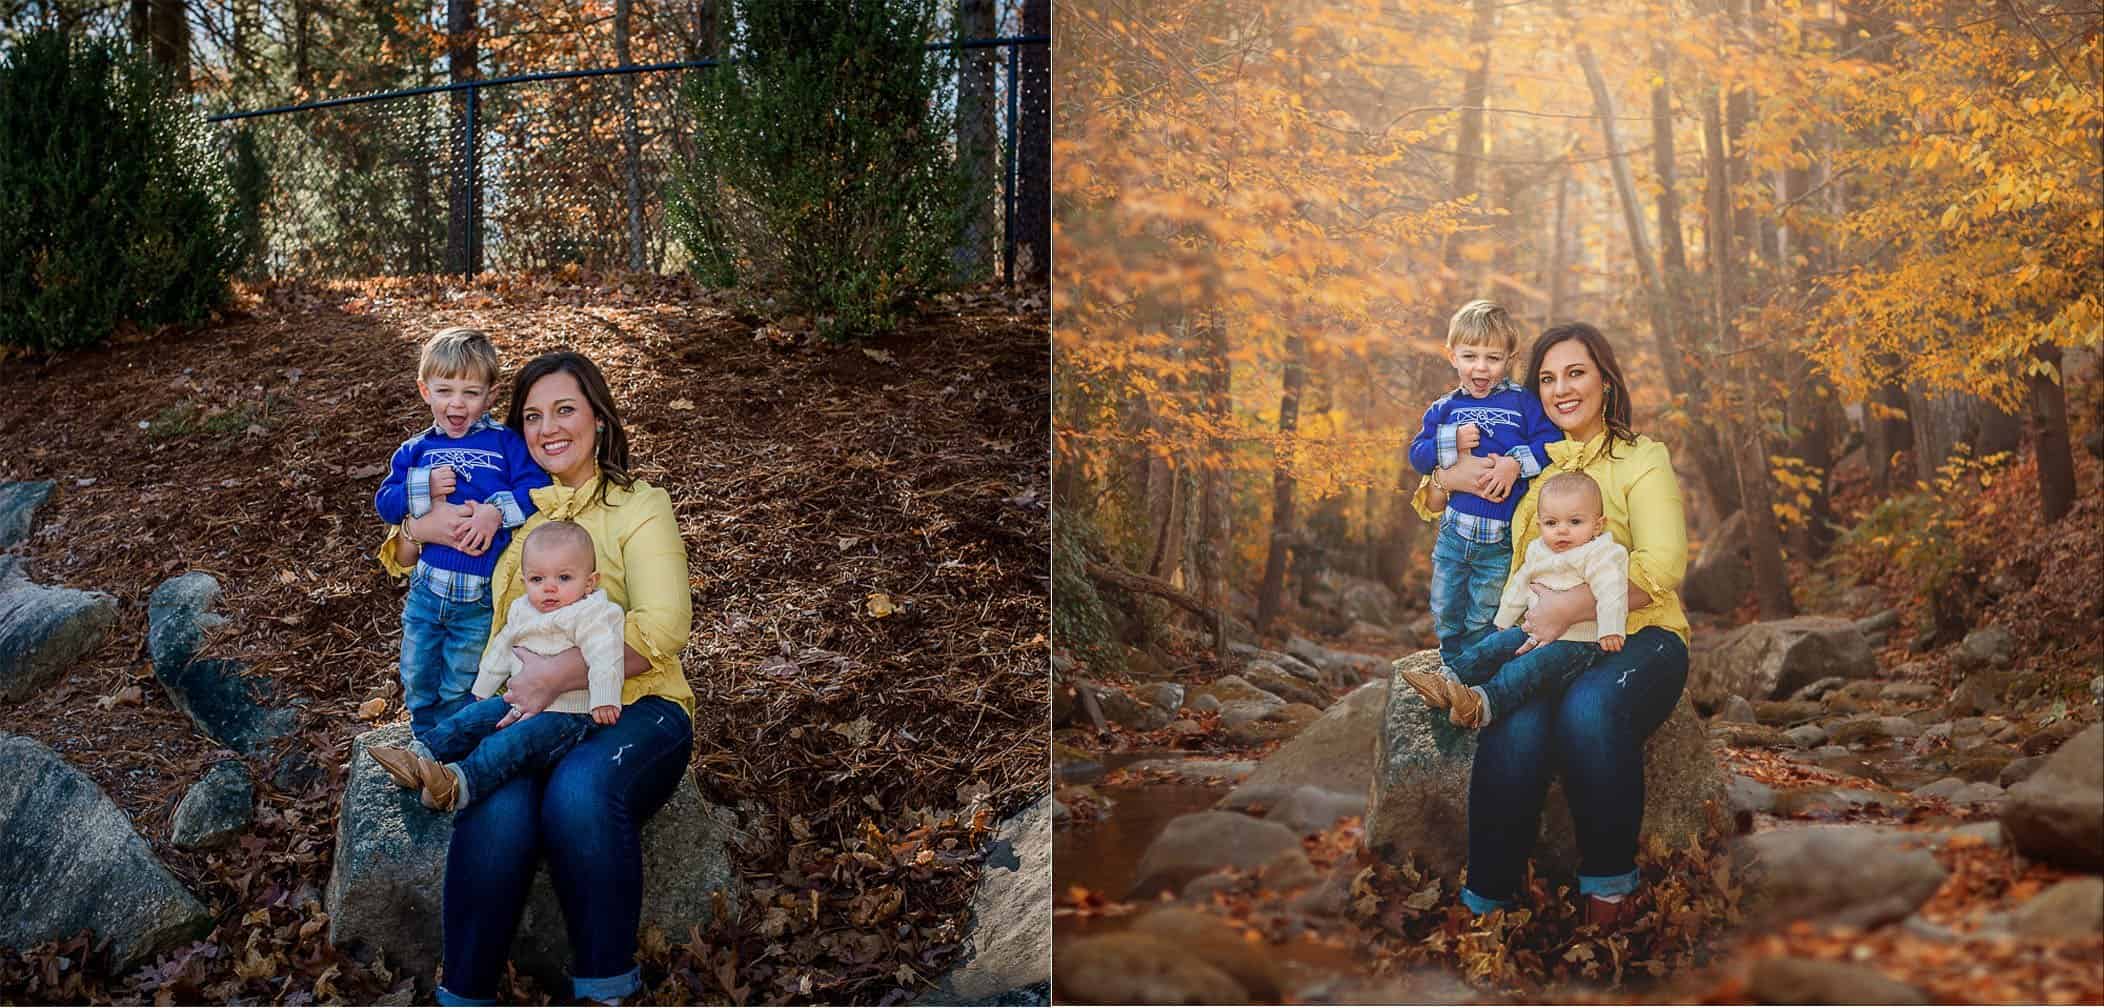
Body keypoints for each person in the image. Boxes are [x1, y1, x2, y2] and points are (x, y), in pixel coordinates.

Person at [381, 350, 695, 1006]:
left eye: (564, 410)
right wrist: (417, 523)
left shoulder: (639, 504)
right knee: (496, 804)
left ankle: (606, 990)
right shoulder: (514, 510)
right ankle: (463, 995)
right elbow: (411, 553)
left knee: (577, 794)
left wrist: (557, 674)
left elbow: (664, 626)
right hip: (529, 711)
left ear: (599, 420)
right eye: (531, 415)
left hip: (635, 703)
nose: (547, 427)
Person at [1430, 321, 1689, 929]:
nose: (1560, 388)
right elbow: (1444, 502)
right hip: (1544, 637)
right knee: (1514, 720)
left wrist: (1573, 606)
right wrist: (1447, 474)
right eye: (1546, 378)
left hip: (1644, 636)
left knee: (1587, 710)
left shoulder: (1641, 458)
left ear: (1605, 379)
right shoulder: (1531, 463)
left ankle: (1609, 891)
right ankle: (1486, 903)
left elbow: (1665, 563)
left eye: (1575, 373)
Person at [367, 521, 627, 811]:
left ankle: (458, 784)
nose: (549, 588)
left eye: (564, 578)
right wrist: (482, 689)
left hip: (568, 715)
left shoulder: (592, 613)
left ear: (590, 582)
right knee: (471, 718)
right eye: (537, 579)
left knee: (510, 742)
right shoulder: (523, 609)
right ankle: (419, 756)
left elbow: (607, 654)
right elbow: (503, 647)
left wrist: (605, 698)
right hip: (518, 701)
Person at [375, 328, 550, 743]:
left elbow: (535, 489)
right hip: (426, 592)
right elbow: (386, 501)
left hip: (479, 597)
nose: (457, 403)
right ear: (425, 391)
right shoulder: (416, 451)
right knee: (418, 671)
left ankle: (450, 746)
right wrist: (424, 488)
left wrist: (494, 512)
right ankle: (422, 738)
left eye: (471, 393)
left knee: (462, 677)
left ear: (490, 396)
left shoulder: (506, 444)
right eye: (444, 390)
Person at [1406, 300, 1562, 672]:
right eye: (1470, 356)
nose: (1480, 367)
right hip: (1453, 535)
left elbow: (1550, 443)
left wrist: (1513, 465)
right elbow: (1418, 454)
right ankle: (1450, 662)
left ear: (1509, 357)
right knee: (1445, 606)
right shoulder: (1444, 409)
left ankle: (1470, 674)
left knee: (1484, 611)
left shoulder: (1523, 403)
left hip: (1500, 540)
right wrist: (1453, 443)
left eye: (1492, 358)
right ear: (1452, 356)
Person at [1428, 471, 1628, 729]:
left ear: (1598, 525)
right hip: (1534, 632)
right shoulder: (1538, 550)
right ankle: (1450, 678)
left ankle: (1483, 703)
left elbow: (1612, 590)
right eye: (1551, 523)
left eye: (1575, 522)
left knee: (1527, 668)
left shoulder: (1601, 554)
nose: (1562, 530)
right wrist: (1504, 619)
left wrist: (1612, 628)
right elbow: (1521, 584)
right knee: (1495, 644)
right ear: (1540, 526)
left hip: (1579, 643)